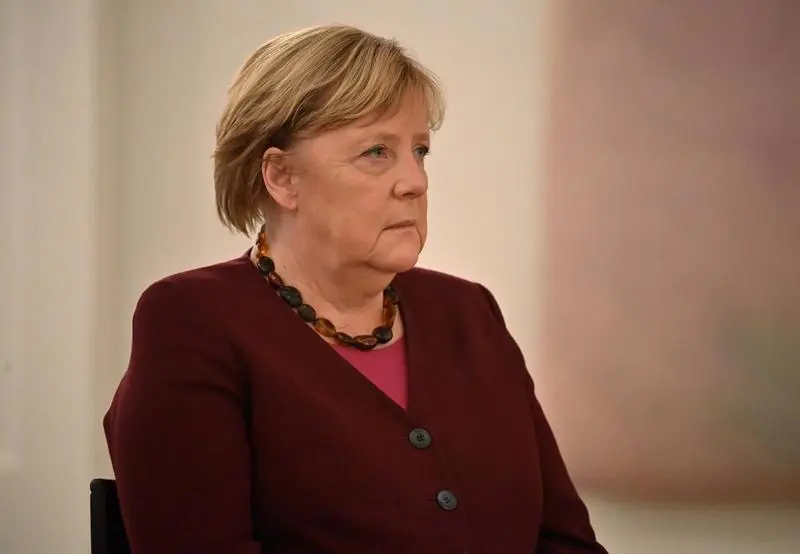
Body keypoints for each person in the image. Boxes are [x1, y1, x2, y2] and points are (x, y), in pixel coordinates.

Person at [103, 24, 608, 554]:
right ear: (282, 177)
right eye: (376, 152)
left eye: (420, 151)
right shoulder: (193, 320)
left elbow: (564, 541)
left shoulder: (469, 312)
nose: (415, 181)